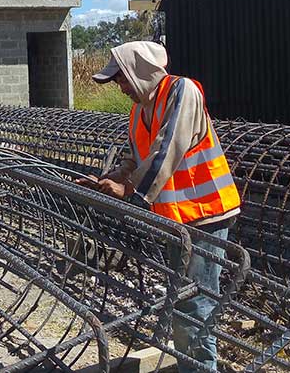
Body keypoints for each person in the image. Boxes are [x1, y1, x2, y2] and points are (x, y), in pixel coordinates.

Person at [76, 41, 241, 373]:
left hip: (206, 214)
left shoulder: (183, 92)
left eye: (122, 79)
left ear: (139, 72)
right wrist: (109, 180)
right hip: (176, 220)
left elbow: (166, 150)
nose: (121, 88)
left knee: (194, 306)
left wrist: (130, 191)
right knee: (183, 303)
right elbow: (133, 156)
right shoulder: (140, 110)